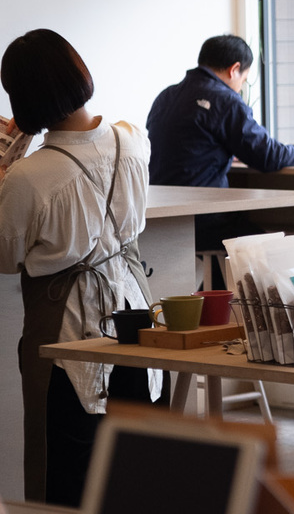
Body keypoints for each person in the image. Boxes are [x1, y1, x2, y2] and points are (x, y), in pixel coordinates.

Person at [0, 29, 163, 506]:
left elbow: (6, 258)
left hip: (70, 336)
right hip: (137, 319)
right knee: (138, 469)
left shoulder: (30, 177)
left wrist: (10, 157)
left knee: (68, 479)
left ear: (22, 99)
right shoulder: (135, 141)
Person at [146, 35, 294, 267]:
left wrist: (224, 148)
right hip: (203, 221)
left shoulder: (166, 96)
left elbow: (188, 146)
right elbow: (269, 156)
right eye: (244, 80)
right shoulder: (224, 99)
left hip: (161, 222)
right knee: (265, 245)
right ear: (234, 69)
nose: (240, 87)